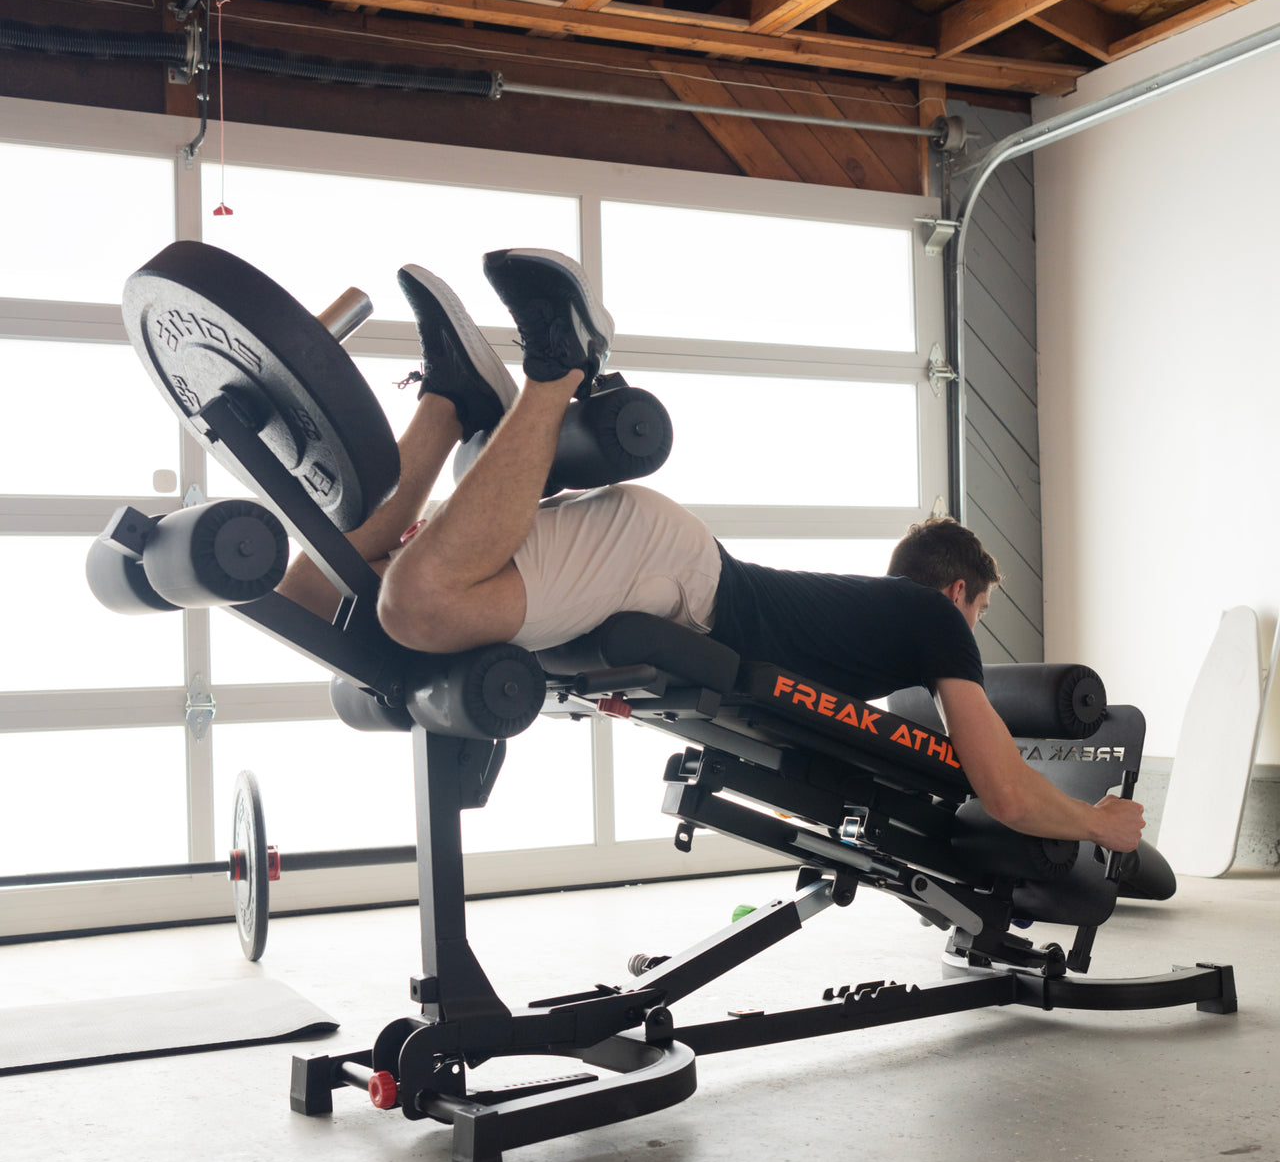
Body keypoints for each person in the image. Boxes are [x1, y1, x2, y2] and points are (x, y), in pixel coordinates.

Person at [278, 249, 1144, 855]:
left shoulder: (882, 618)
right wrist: (1096, 821)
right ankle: (561, 366)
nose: (978, 631)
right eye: (983, 612)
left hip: (655, 574)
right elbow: (1005, 791)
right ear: (958, 591)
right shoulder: (933, 622)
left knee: (311, 600)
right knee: (418, 604)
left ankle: (448, 401)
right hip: (667, 572)